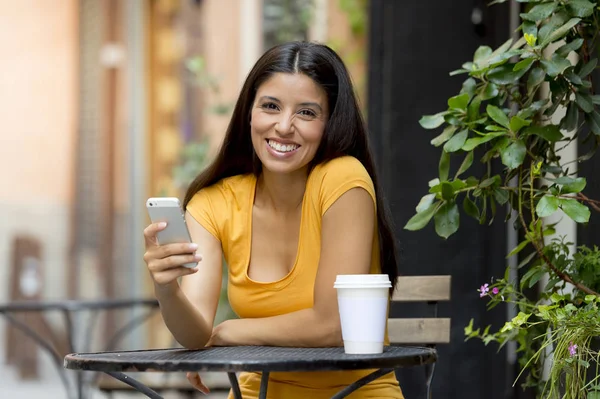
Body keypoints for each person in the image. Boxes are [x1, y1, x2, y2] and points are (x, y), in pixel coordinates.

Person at [143, 41, 403, 399]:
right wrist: (166, 287)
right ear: (249, 112)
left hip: (352, 393)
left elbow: (333, 325)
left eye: (307, 113)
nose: (284, 126)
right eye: (270, 106)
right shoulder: (213, 202)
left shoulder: (342, 179)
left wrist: (227, 331)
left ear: (330, 122)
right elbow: (194, 334)